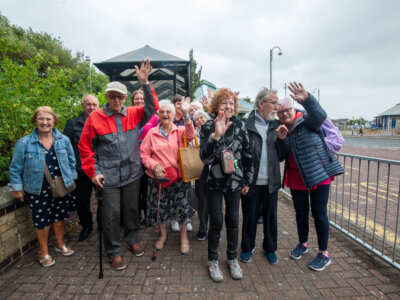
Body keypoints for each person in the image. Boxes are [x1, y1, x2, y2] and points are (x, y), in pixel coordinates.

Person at [78, 59, 158, 271]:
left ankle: (132, 239)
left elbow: (152, 108)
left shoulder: (133, 112)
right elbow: (85, 148)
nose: (116, 100)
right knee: (111, 215)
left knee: (131, 210)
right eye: (112, 96)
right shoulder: (95, 117)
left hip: (132, 173)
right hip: (109, 176)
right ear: (107, 97)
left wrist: (145, 83)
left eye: (120, 96)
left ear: (124, 98)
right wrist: (94, 172)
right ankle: (113, 251)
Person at [276, 82, 344, 271]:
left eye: (287, 110)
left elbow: (319, 116)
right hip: (296, 178)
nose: (284, 115)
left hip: (318, 174)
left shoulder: (307, 120)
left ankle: (324, 253)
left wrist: (307, 99)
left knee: (319, 213)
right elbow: (282, 156)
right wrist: (281, 140)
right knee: (301, 213)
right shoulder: (281, 129)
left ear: (293, 108)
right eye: (280, 113)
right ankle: (303, 243)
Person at [10, 106, 77, 267]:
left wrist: (72, 180)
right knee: (41, 221)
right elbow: (15, 167)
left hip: (60, 186)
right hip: (37, 188)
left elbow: (71, 161)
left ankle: (60, 243)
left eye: (48, 119)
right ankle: (43, 251)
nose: (45, 122)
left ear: (54, 121)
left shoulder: (63, 140)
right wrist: (17, 187)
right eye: (41, 119)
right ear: (35, 121)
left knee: (60, 216)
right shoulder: (24, 142)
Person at [199, 88, 253, 282]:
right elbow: (204, 158)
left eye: (231, 103)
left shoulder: (240, 125)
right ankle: (212, 260)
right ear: (216, 106)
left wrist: (247, 180)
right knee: (216, 222)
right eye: (224, 103)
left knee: (233, 220)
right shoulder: (207, 126)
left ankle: (232, 258)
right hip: (213, 181)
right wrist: (216, 136)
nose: (228, 106)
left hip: (235, 181)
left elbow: (248, 154)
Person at [140, 99, 195, 254]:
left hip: (178, 177)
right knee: (160, 208)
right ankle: (163, 236)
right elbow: (144, 154)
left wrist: (186, 115)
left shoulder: (180, 130)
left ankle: (184, 238)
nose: (165, 114)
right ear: (158, 114)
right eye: (162, 112)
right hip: (159, 179)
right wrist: (154, 165)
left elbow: (191, 136)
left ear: (172, 114)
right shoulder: (152, 133)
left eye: (168, 112)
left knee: (182, 207)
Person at [240, 87, 285, 264]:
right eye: (273, 103)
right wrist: (244, 180)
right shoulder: (246, 124)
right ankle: (247, 247)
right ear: (261, 104)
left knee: (270, 218)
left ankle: (270, 248)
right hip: (251, 182)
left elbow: (282, 155)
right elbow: (240, 154)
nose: (276, 106)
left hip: (271, 181)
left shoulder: (276, 125)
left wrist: (282, 140)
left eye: (277, 103)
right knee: (250, 217)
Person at [63, 94, 99, 241]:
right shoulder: (72, 124)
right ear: (83, 105)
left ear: (98, 106)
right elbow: (66, 148)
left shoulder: (103, 121)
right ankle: (87, 225)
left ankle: (104, 225)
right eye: (88, 104)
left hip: (100, 169)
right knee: (82, 201)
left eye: (94, 104)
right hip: (82, 171)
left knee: (104, 199)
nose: (91, 107)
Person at [130, 89, 159, 224]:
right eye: (137, 99)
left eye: (142, 99)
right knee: (134, 190)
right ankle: (136, 216)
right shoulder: (128, 115)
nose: (139, 101)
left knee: (147, 188)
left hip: (147, 158)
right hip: (132, 159)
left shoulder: (154, 117)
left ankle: (148, 215)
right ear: (132, 101)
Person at [170, 94, 193, 232]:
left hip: (186, 160)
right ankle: (174, 219)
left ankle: (185, 218)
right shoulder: (169, 119)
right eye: (177, 103)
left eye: (182, 103)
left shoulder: (188, 119)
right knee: (173, 192)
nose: (180, 106)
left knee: (186, 192)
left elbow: (191, 136)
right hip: (172, 161)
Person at [193, 110, 210, 241]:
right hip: (200, 172)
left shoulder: (215, 130)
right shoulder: (194, 135)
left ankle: (216, 229)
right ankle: (203, 228)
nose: (200, 120)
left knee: (216, 204)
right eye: (197, 119)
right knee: (203, 201)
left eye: (202, 117)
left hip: (216, 172)